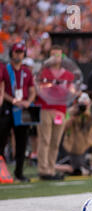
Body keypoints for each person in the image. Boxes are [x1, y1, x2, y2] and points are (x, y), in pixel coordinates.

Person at [35, 45, 75, 180]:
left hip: (60, 109)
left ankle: (51, 169)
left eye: (58, 55)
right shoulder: (43, 72)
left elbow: (71, 90)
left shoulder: (68, 74)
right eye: (53, 55)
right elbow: (39, 88)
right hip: (45, 108)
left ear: (62, 56)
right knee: (45, 139)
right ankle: (43, 169)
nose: (55, 58)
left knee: (55, 141)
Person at [0, 42, 36, 182]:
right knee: (2, 139)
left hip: (23, 108)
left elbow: (32, 90)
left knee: (22, 141)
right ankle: (2, 172)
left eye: (21, 52)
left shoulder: (26, 71)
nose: (19, 55)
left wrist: (28, 101)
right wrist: (13, 100)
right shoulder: (5, 69)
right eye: (16, 52)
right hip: (8, 106)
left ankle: (19, 173)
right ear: (12, 53)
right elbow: (1, 89)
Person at [61, 93, 92, 176]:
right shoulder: (71, 112)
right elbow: (64, 128)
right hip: (73, 145)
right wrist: (74, 115)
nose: (83, 107)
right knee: (76, 170)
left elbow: (91, 125)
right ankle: (56, 167)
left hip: (86, 144)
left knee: (82, 170)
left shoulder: (90, 113)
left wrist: (86, 112)